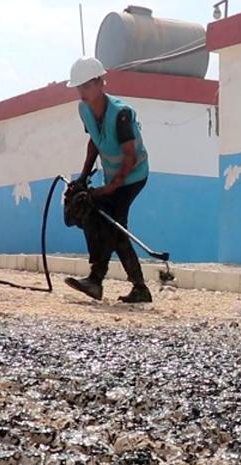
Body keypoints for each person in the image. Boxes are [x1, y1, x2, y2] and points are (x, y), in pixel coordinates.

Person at [63, 57, 152, 304]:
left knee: (114, 225)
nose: (82, 92)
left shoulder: (121, 114)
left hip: (132, 176)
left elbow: (130, 156)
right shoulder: (84, 110)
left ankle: (106, 282)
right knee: (97, 218)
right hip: (112, 176)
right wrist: (83, 177)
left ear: (100, 82)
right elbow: (94, 141)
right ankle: (114, 284)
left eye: (86, 86)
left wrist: (112, 187)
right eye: (79, 87)